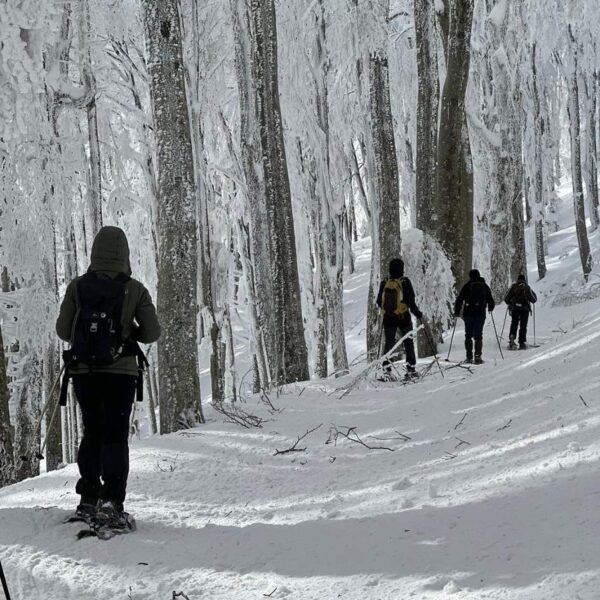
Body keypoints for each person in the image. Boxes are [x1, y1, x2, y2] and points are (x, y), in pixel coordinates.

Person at [56, 226, 161, 530]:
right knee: (115, 436)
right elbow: (152, 332)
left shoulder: (77, 287)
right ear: (125, 254)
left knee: (92, 431)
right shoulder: (135, 288)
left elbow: (64, 331)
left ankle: (88, 498)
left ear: (94, 252)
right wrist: (129, 335)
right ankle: (112, 502)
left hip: (84, 374)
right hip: (121, 374)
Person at [376, 258, 423, 380]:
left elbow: (378, 301)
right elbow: (411, 302)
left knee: (389, 344)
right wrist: (418, 314)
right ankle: (411, 369)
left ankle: (386, 371)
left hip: (388, 318)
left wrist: (388, 310)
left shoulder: (384, 282)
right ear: (401, 269)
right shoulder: (405, 282)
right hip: (404, 317)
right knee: (408, 342)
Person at [454, 269, 495, 364]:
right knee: (478, 335)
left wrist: (457, 312)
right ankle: (477, 356)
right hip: (480, 313)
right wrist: (490, 308)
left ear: (470, 276)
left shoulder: (467, 286)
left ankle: (469, 357)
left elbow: (459, 299)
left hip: (468, 314)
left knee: (468, 335)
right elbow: (491, 299)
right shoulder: (484, 286)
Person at [504, 274, 537, 350]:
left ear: (517, 279)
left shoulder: (514, 286)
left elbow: (506, 299)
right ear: (524, 279)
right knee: (523, 325)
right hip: (525, 309)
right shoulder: (527, 287)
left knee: (514, 323)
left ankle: (512, 338)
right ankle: (522, 342)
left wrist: (510, 303)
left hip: (515, 308)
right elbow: (534, 299)